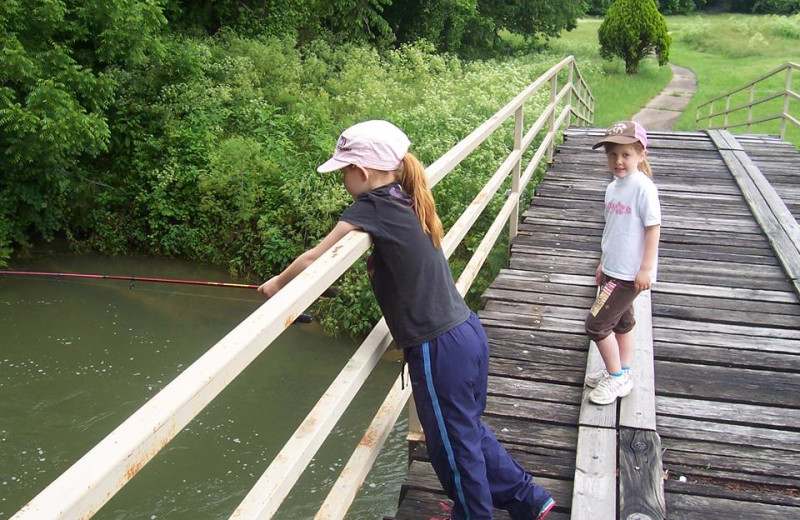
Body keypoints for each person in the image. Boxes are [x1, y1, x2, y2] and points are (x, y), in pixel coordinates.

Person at [258, 120, 555, 520]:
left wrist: (277, 284)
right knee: (464, 433)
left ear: (362, 172)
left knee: (451, 450)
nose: (343, 178)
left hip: (438, 348)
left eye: (344, 171)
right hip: (465, 332)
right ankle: (528, 500)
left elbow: (317, 256)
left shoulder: (372, 204)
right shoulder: (405, 196)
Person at [584, 121, 662, 406]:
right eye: (612, 155)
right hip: (613, 268)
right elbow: (612, 229)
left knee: (595, 325)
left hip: (629, 274)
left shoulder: (643, 188)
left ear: (641, 154)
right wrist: (603, 262)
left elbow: (653, 228)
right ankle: (622, 371)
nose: (618, 161)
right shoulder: (613, 188)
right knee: (622, 322)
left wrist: (645, 269)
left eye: (626, 154)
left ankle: (616, 378)